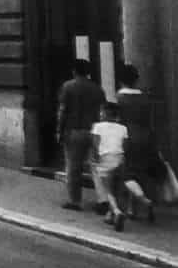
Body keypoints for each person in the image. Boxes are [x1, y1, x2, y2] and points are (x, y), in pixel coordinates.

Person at [116, 63, 164, 222]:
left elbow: (120, 121)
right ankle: (132, 208)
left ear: (121, 80)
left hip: (129, 137)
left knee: (127, 174)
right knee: (141, 172)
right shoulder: (145, 98)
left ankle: (143, 202)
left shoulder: (120, 98)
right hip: (147, 137)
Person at [56, 59, 106, 211]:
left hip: (74, 131)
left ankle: (75, 200)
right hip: (94, 131)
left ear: (74, 71)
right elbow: (102, 111)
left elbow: (63, 110)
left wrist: (59, 130)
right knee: (97, 167)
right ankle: (103, 199)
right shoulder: (97, 88)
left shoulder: (68, 86)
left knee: (73, 167)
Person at [90, 103, 128, 231]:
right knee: (117, 189)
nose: (100, 114)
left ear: (105, 113)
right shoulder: (123, 128)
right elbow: (125, 146)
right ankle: (110, 215)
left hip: (105, 159)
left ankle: (117, 212)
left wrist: (95, 160)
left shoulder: (98, 127)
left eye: (101, 112)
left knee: (108, 190)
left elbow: (95, 145)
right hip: (120, 158)